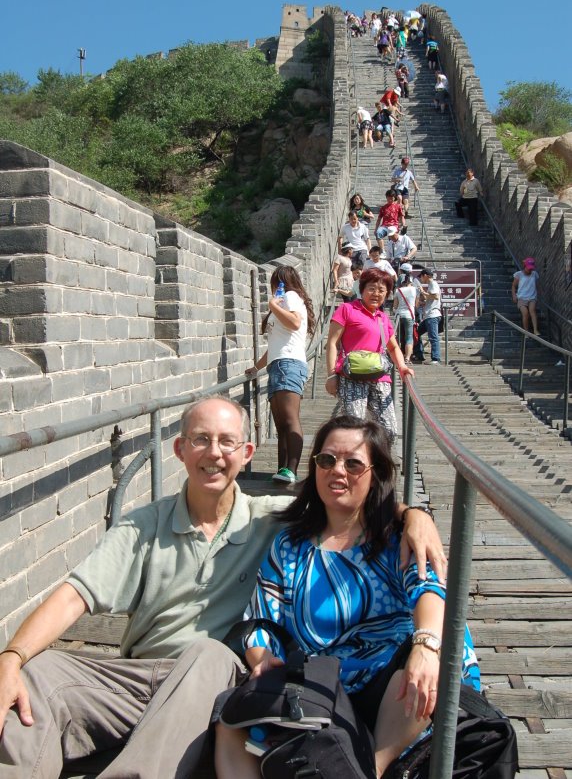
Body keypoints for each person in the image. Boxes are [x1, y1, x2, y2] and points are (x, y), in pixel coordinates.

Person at [0, 397, 446, 779]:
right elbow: (73, 595)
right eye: (200, 439)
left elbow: (348, 499)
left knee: (208, 652)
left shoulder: (272, 518)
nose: (213, 453)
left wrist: (414, 516)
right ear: (179, 448)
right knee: (43, 673)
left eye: (227, 442)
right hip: (140, 678)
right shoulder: (143, 526)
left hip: (213, 678)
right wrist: (12, 657)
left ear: (247, 452)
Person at [215, 415, 479, 779]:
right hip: (319, 687)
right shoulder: (290, 545)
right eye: (327, 460)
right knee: (230, 719)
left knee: (419, 673)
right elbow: (262, 619)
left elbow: (429, 588)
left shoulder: (395, 537)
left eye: (353, 463)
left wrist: (426, 645)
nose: (337, 470)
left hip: (392, 690)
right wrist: (262, 663)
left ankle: (372, 769)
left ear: (375, 474)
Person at [325, 269, 413, 442]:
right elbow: (332, 343)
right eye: (372, 288)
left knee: (388, 429)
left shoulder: (383, 318)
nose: (376, 294)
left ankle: (377, 464)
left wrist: (402, 367)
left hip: (379, 377)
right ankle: (357, 466)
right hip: (351, 377)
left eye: (382, 290)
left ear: (387, 294)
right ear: (362, 289)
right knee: (354, 427)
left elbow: (393, 347)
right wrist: (331, 375)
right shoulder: (347, 309)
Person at [246, 266, 315, 484]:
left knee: (289, 419)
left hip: (289, 364)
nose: (275, 287)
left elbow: (294, 323)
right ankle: (282, 469)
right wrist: (256, 368)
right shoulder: (284, 301)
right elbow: (275, 345)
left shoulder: (291, 297)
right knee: (281, 424)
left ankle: (291, 469)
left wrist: (273, 305)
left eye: (276, 282)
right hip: (278, 364)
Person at [415, 269, 442, 364]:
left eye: (421, 276)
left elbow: (435, 296)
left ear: (425, 275)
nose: (421, 279)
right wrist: (423, 302)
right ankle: (419, 354)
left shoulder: (433, 283)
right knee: (416, 333)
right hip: (429, 316)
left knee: (433, 337)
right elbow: (431, 298)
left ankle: (436, 358)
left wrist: (423, 291)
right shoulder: (431, 284)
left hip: (432, 315)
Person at [393, 263, 418, 365]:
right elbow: (416, 305)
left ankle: (398, 357)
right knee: (409, 337)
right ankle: (407, 358)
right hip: (409, 315)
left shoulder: (398, 290)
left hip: (399, 315)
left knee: (398, 337)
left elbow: (395, 306)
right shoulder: (414, 290)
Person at [512, 257, 540, 336]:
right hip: (521, 297)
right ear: (525, 266)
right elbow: (513, 286)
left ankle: (535, 330)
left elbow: (535, 285)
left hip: (532, 297)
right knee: (525, 313)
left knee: (532, 311)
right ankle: (526, 332)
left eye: (531, 269)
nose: (530, 270)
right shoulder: (519, 274)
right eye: (529, 268)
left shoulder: (535, 274)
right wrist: (514, 296)